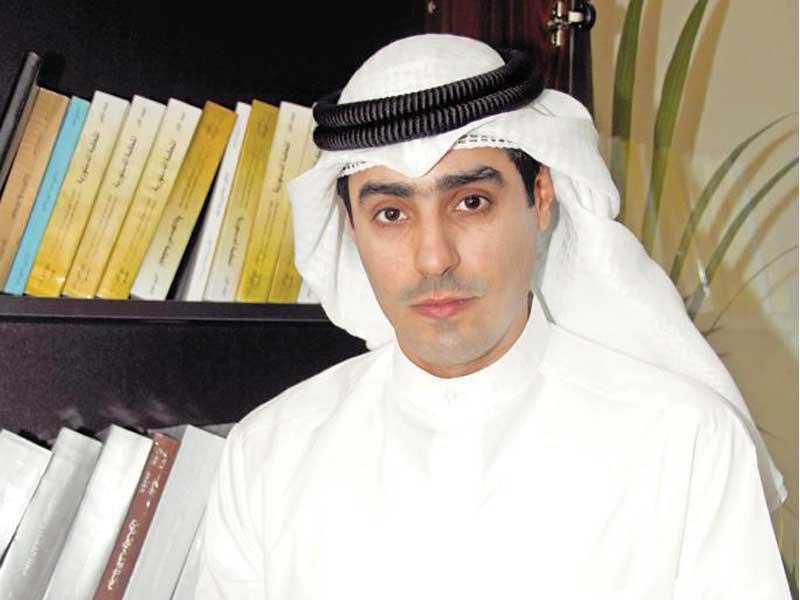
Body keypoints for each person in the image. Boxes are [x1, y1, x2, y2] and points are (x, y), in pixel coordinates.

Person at [195, 34, 789, 599]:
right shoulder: (267, 456)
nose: (434, 258)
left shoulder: (684, 441)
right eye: (392, 214)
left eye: (471, 203)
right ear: (351, 228)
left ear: (541, 199)